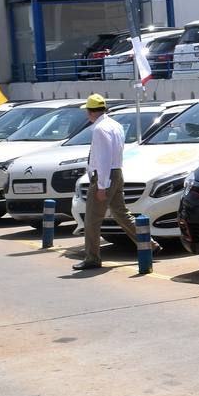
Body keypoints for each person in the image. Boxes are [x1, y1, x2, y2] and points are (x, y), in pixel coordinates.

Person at [75, 94, 140, 271]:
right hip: (116, 172)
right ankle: (147, 244)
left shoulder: (100, 129)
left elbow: (103, 159)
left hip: (105, 176)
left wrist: (102, 186)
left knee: (91, 220)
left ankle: (92, 258)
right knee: (121, 213)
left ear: (90, 112)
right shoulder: (115, 125)